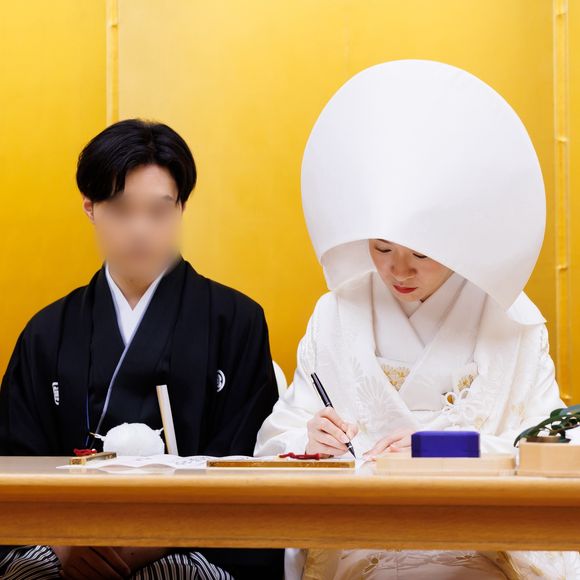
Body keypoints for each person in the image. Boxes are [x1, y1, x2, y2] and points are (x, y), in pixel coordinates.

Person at [255, 60, 580, 578]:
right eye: (381, 248)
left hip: (480, 550)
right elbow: (279, 437)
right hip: (364, 548)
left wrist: (444, 452)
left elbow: (554, 450)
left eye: (421, 254)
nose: (398, 271)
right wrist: (309, 444)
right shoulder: (336, 313)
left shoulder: (510, 319)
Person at [0, 119, 283, 579]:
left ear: (182, 207)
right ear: (90, 208)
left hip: (193, 545)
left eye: (158, 211)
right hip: (65, 544)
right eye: (120, 209)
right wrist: (66, 545)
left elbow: (247, 467)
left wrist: (152, 540)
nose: (140, 230)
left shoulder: (236, 322)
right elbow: (16, 466)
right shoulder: (47, 332)